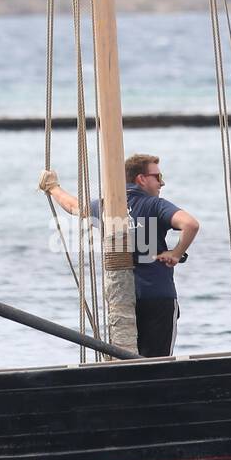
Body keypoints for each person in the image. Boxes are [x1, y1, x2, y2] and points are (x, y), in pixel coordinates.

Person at [39, 153, 200, 357]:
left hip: (122, 299)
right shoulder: (155, 205)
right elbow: (190, 224)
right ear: (141, 178)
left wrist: (53, 187)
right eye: (158, 177)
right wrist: (176, 253)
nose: (162, 183)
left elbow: (73, 206)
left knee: (127, 357)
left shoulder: (107, 206)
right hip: (156, 296)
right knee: (158, 362)